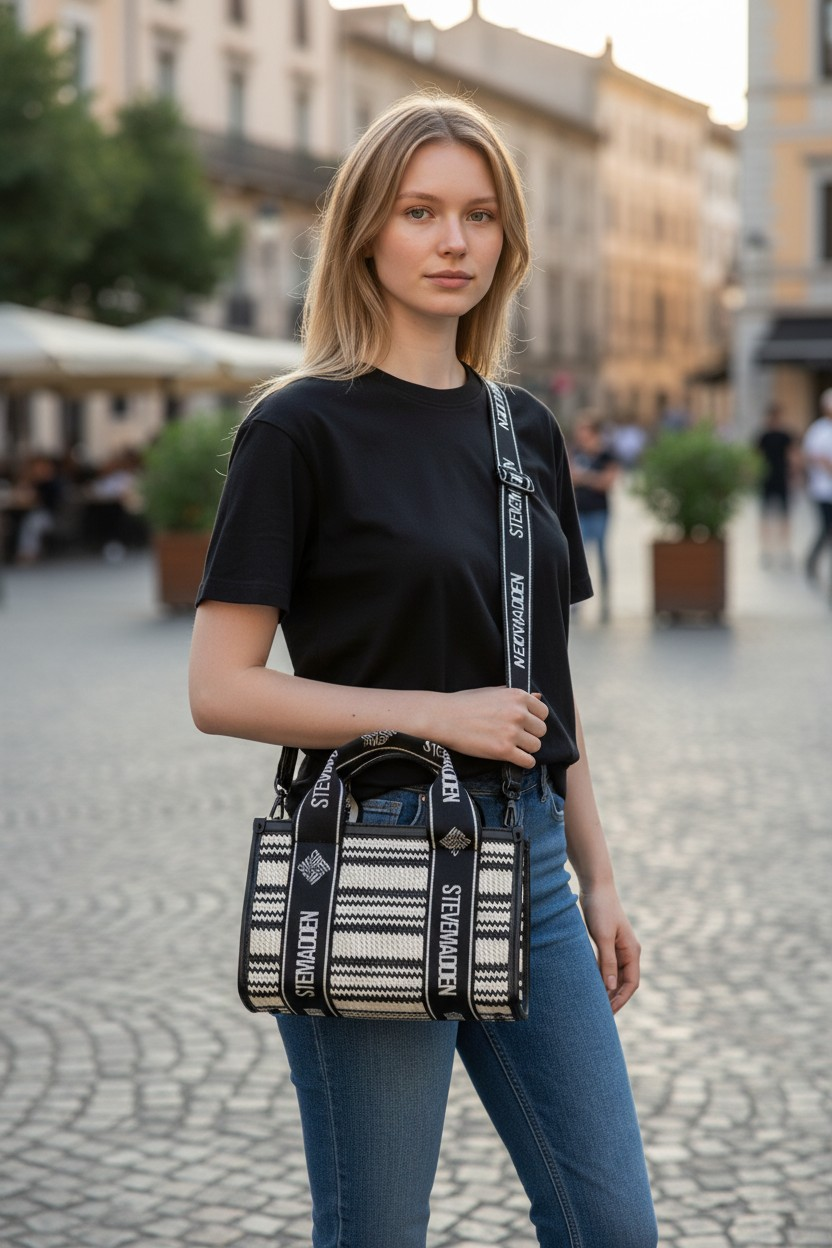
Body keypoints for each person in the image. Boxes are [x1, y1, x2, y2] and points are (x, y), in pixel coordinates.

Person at [189, 93, 657, 1248]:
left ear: (506, 242)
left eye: (480, 216)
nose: (454, 241)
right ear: (364, 232)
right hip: (373, 852)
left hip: (533, 857)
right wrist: (437, 716)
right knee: (380, 1229)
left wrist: (595, 875)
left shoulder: (524, 429)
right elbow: (220, 686)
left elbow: (546, 680)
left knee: (613, 1226)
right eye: (421, 212)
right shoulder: (297, 430)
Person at [570, 418, 619, 622]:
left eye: (586, 434)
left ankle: (605, 600)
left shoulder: (607, 455)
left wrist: (585, 477)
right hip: (578, 511)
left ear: (595, 435)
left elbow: (607, 483)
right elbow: (570, 476)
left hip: (599, 512)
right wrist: (593, 478)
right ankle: (575, 603)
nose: (582, 438)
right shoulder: (575, 452)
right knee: (578, 557)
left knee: (601, 555)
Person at [755, 402, 797, 567]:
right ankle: (766, 550)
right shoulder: (762, 436)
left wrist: (794, 475)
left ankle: (784, 549)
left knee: (784, 517)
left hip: (781, 479)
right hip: (766, 480)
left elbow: (792, 456)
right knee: (765, 518)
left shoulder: (785, 436)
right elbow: (755, 457)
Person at [802, 388, 832, 587]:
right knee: (825, 530)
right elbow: (812, 456)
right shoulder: (818, 430)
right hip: (822, 490)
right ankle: (811, 562)